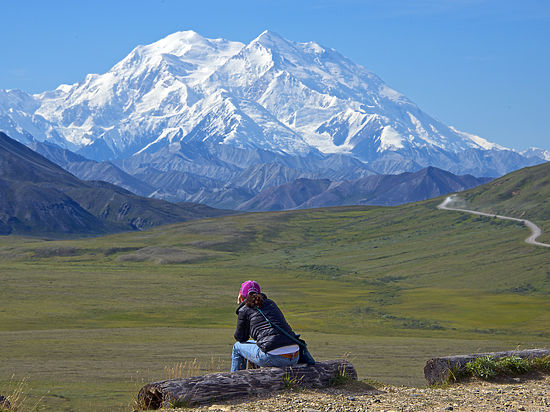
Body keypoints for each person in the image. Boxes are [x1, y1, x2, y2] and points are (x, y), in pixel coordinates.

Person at [231, 280, 301, 372]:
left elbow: (240, 338)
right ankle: (252, 378)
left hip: (274, 358)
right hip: (295, 355)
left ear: (241, 295)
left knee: (237, 347)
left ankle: (235, 381)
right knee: (258, 344)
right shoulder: (271, 303)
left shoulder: (245, 309)